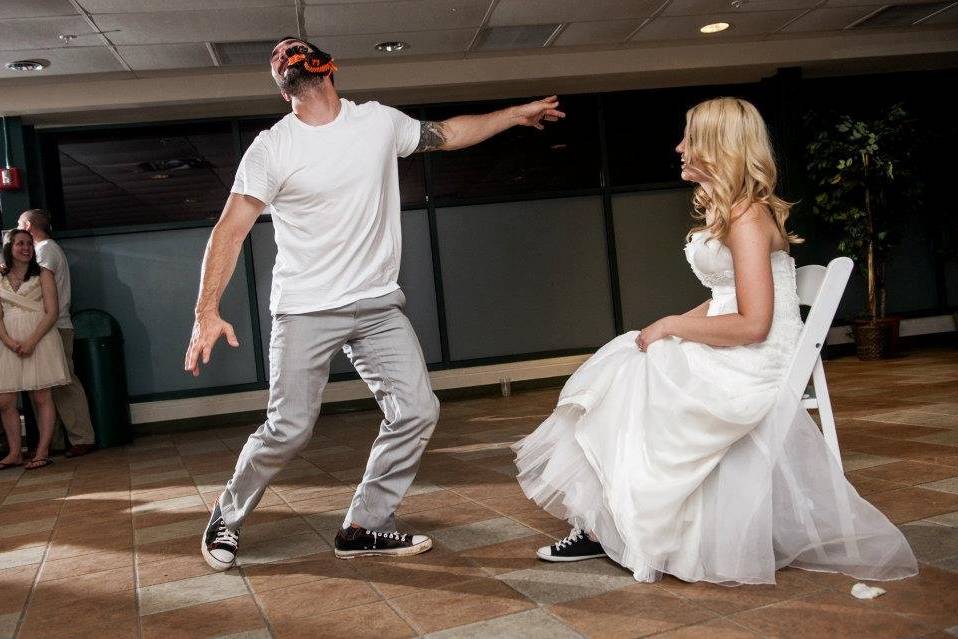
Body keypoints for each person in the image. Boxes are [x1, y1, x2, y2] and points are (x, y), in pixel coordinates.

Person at [185, 36, 565, 571]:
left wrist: (512, 115)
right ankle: (227, 514)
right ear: (282, 88)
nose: (295, 65)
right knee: (288, 428)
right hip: (305, 308)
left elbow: (450, 134)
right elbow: (229, 230)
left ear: (329, 69)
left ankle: (364, 524)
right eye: (285, 65)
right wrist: (206, 311)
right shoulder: (272, 148)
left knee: (417, 410)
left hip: (377, 306)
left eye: (302, 58)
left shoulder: (378, 123)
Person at [513, 98, 917, 585]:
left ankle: (613, 527)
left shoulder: (748, 217)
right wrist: (669, 327)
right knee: (626, 359)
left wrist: (672, 328)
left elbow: (753, 325)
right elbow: (726, 297)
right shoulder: (733, 212)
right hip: (739, 342)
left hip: (754, 359)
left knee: (628, 383)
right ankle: (606, 523)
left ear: (717, 146)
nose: (679, 147)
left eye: (689, 137)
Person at [18, 209, 97, 458]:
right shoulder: (47, 250)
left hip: (56, 326)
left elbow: (40, 290)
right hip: (50, 327)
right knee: (49, 385)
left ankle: (82, 437)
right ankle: (58, 440)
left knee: (64, 382)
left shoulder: (45, 250)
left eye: (20, 224)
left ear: (29, 225)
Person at [0, 229, 72, 470]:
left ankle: (42, 451)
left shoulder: (43, 274)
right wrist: (8, 340)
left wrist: (31, 341)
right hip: (8, 342)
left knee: (41, 396)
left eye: (29, 243)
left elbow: (52, 312)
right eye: (20, 244)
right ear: (9, 247)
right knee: (5, 399)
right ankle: (14, 452)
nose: (26, 248)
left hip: (40, 339)